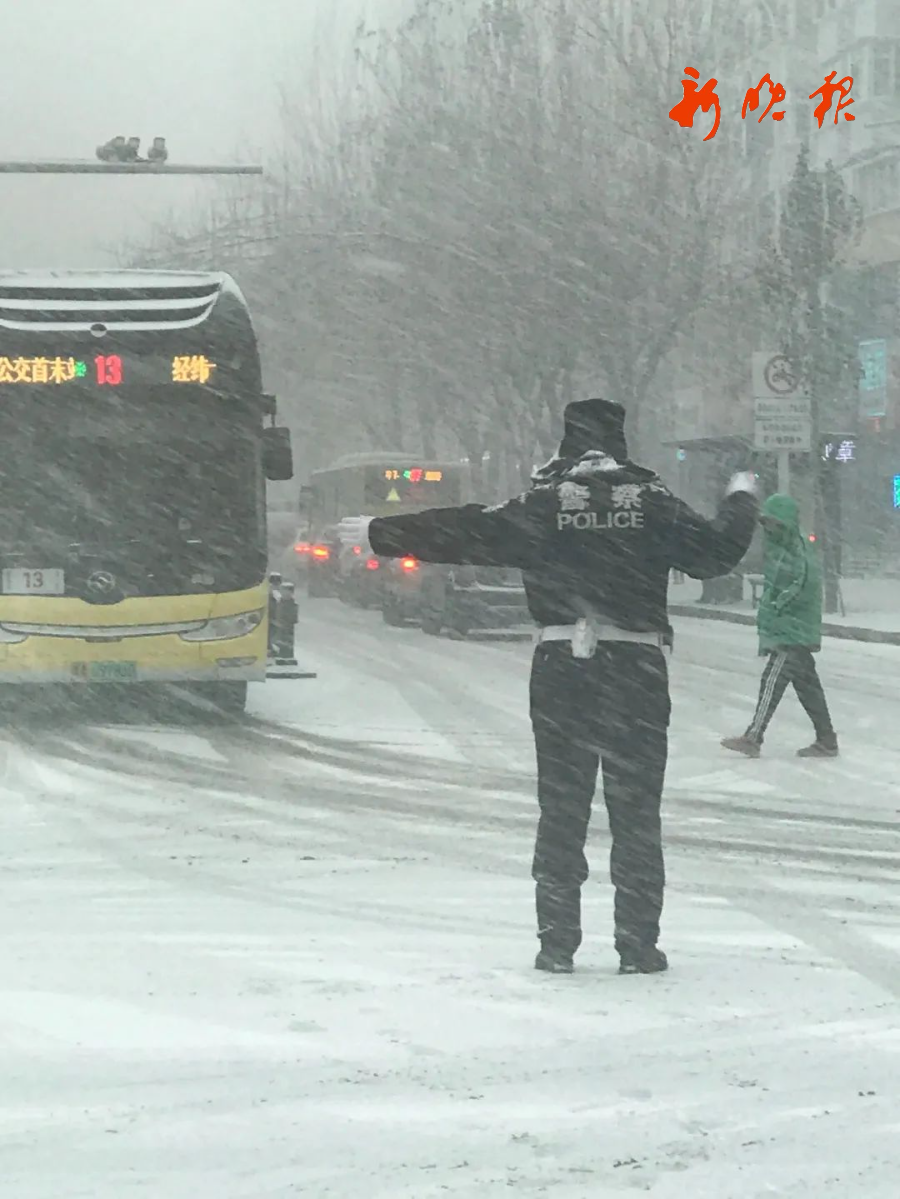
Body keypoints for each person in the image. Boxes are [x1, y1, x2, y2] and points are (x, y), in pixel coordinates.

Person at [338, 400, 758, 975]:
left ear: (566, 442)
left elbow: (467, 529)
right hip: (636, 670)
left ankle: (557, 942)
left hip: (562, 668)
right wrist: (740, 496)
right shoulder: (651, 502)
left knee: (561, 809)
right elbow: (717, 553)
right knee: (636, 814)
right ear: (620, 442)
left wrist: (378, 532)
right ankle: (638, 944)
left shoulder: (542, 504)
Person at [721, 493, 838, 759]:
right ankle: (826, 738)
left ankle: (753, 736)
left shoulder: (797, 551)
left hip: (792, 631)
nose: (769, 528)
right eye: (766, 523)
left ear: (785, 523)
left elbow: (801, 586)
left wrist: (777, 609)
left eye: (773, 522)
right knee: (808, 686)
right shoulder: (782, 550)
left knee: (771, 680)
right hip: (790, 628)